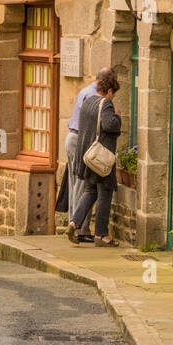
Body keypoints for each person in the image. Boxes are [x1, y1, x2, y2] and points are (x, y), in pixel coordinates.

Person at [68, 68, 122, 247]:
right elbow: (109, 125)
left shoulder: (88, 100)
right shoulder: (105, 104)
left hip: (87, 155)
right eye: (113, 94)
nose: (112, 97)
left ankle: (74, 223)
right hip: (100, 157)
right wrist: (117, 117)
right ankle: (101, 235)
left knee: (90, 191)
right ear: (109, 91)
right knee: (104, 193)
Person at [63, 68, 111, 229]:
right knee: (83, 185)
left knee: (75, 183)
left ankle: (73, 223)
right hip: (80, 139)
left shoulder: (86, 90)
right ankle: (79, 228)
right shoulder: (94, 96)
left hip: (73, 136)